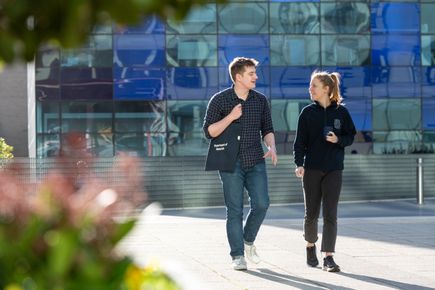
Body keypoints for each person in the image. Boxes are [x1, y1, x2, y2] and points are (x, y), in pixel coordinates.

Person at [203, 57, 278, 270]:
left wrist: (271, 147)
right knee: (234, 210)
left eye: (255, 73)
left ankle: (247, 240)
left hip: (255, 159)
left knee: (262, 204)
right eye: (251, 74)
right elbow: (209, 132)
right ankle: (237, 255)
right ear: (238, 77)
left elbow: (268, 129)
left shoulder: (260, 100)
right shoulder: (220, 100)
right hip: (229, 162)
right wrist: (231, 117)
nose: (256, 77)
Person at [293, 70, 356, 272]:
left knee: (331, 215)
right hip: (311, 169)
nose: (310, 89)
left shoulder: (342, 112)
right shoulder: (307, 113)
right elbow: (299, 143)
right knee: (311, 214)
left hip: (334, 169)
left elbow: (351, 136)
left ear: (326, 89)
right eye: (311, 86)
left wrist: (338, 140)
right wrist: (299, 163)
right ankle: (310, 246)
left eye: (314, 86)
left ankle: (328, 257)